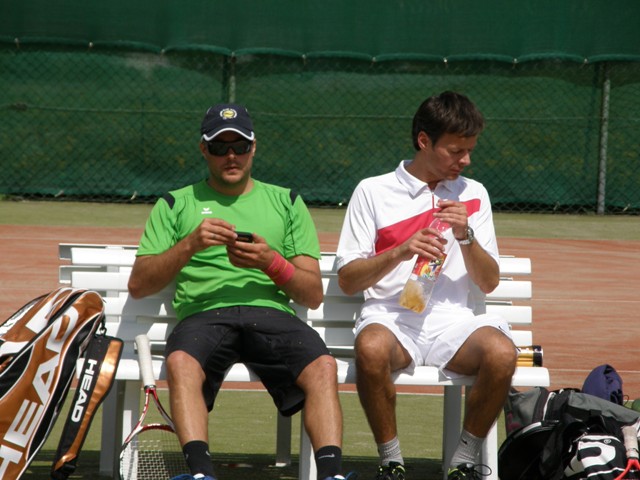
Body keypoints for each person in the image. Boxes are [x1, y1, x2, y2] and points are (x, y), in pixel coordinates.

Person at [128, 103, 355, 480]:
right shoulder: (174, 203)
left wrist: (271, 262)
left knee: (323, 366)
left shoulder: (287, 201)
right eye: (220, 147)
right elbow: (139, 285)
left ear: (254, 147)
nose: (230, 156)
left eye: (240, 146)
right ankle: (200, 475)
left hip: (272, 315)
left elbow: (312, 294)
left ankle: (332, 475)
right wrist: (190, 244)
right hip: (204, 316)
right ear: (204, 149)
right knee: (181, 362)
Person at [335, 91, 517, 480]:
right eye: (456, 151)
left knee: (502, 353)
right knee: (370, 348)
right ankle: (392, 463)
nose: (465, 160)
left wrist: (466, 236)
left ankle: (463, 463)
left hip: (454, 322)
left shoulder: (474, 194)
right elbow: (348, 280)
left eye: (470, 150)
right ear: (423, 141)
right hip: (391, 318)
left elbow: (488, 281)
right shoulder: (372, 191)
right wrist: (400, 251)